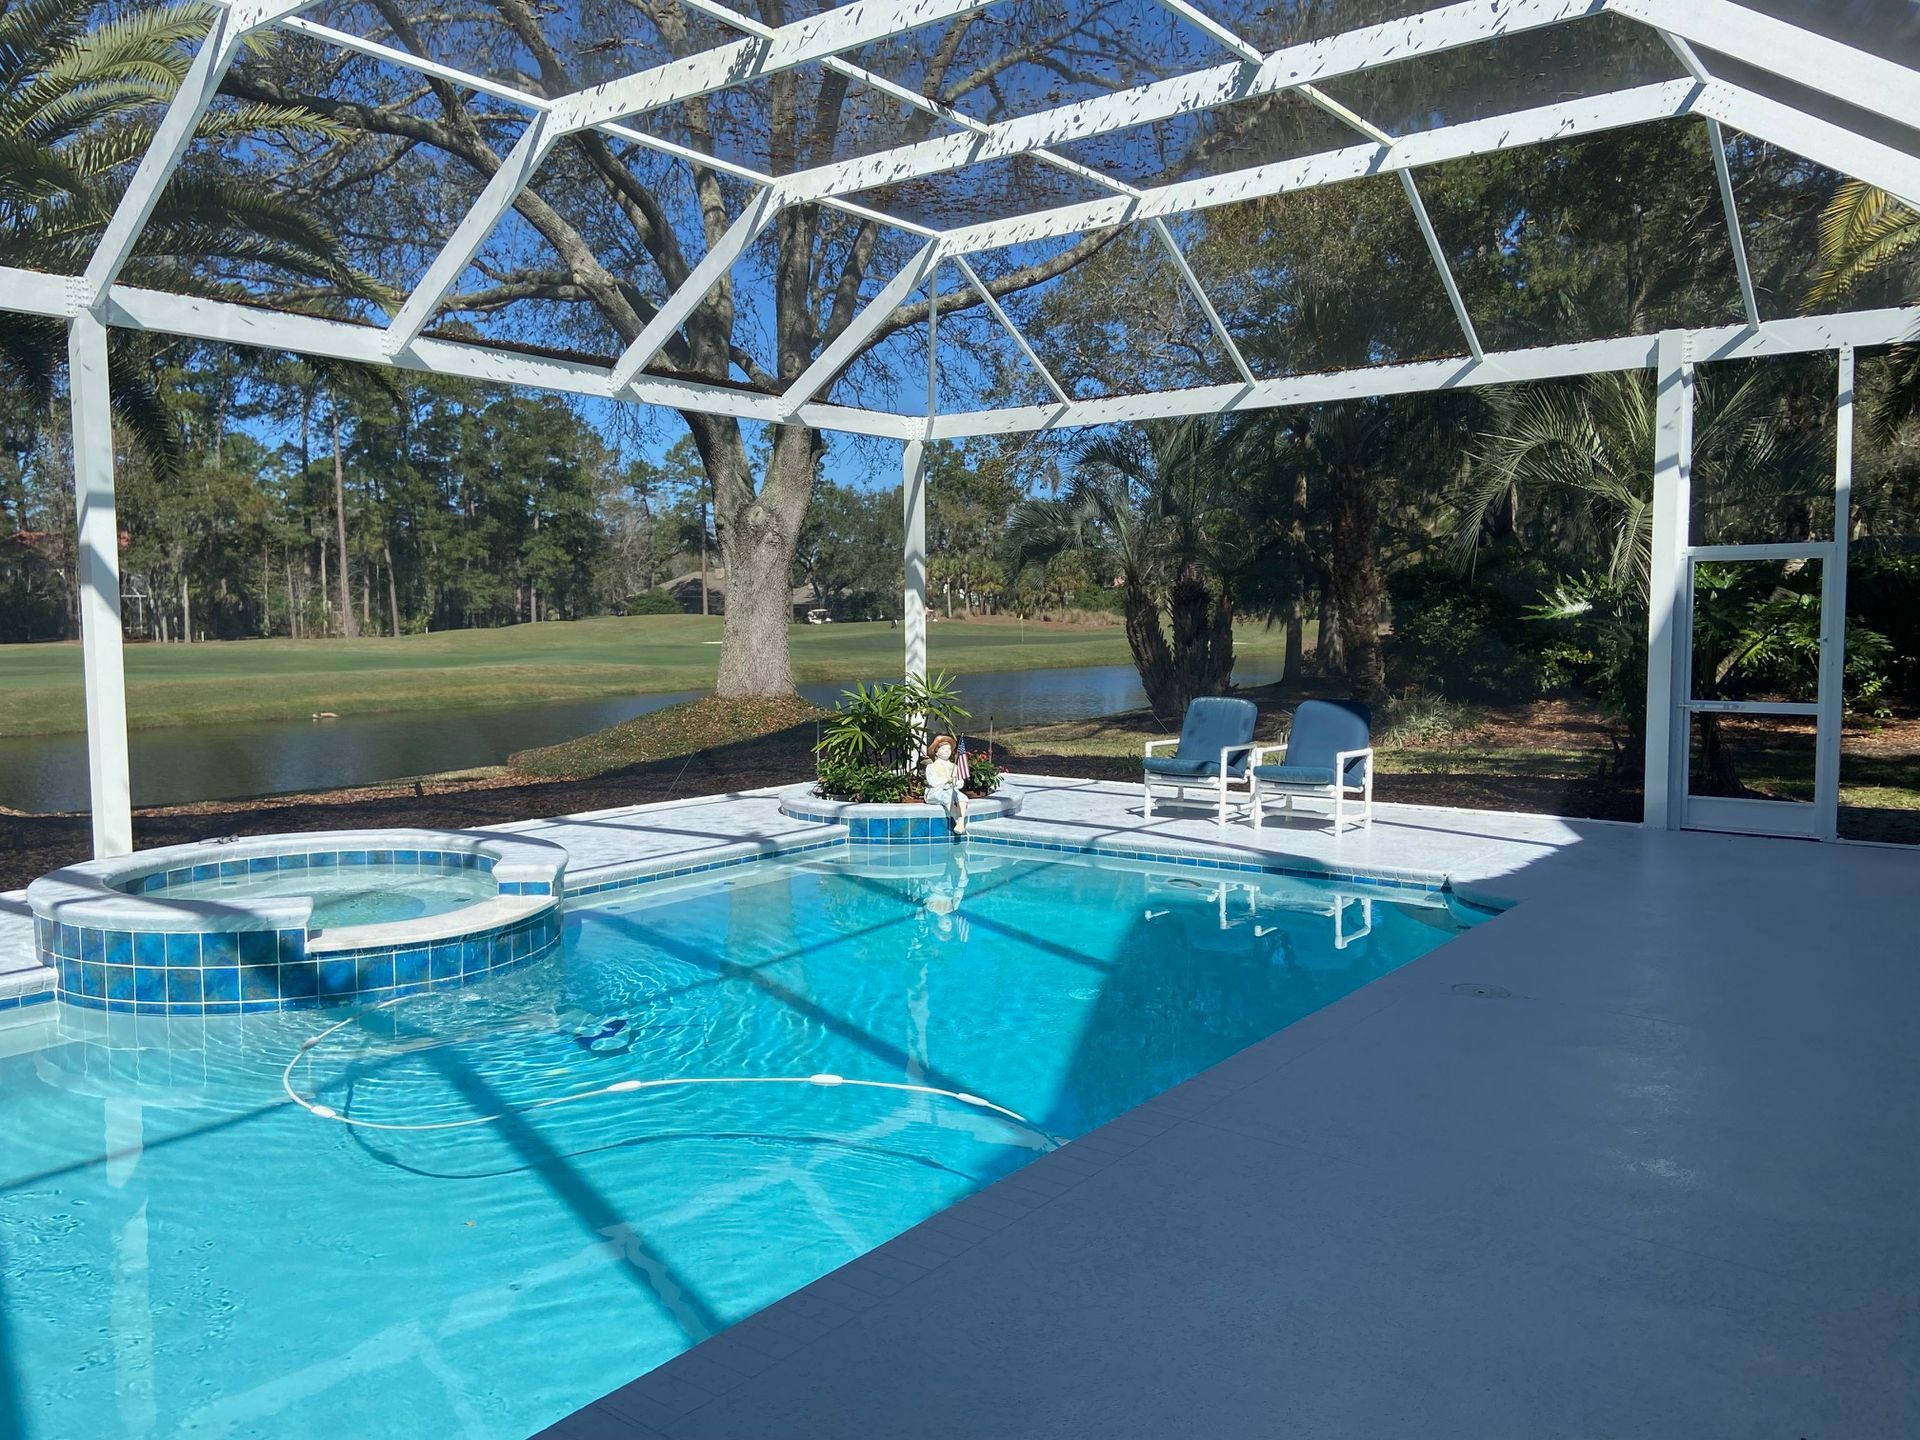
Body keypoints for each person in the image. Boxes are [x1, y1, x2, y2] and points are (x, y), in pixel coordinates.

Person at [923, 733, 968, 834]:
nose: (947, 751)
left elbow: (960, 782)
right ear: (936, 752)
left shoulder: (954, 767)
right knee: (947, 797)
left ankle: (960, 822)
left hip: (952, 790)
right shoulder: (931, 767)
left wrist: (955, 782)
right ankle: (958, 821)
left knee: (963, 798)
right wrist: (946, 780)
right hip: (937, 792)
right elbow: (932, 781)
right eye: (943, 749)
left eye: (949, 749)